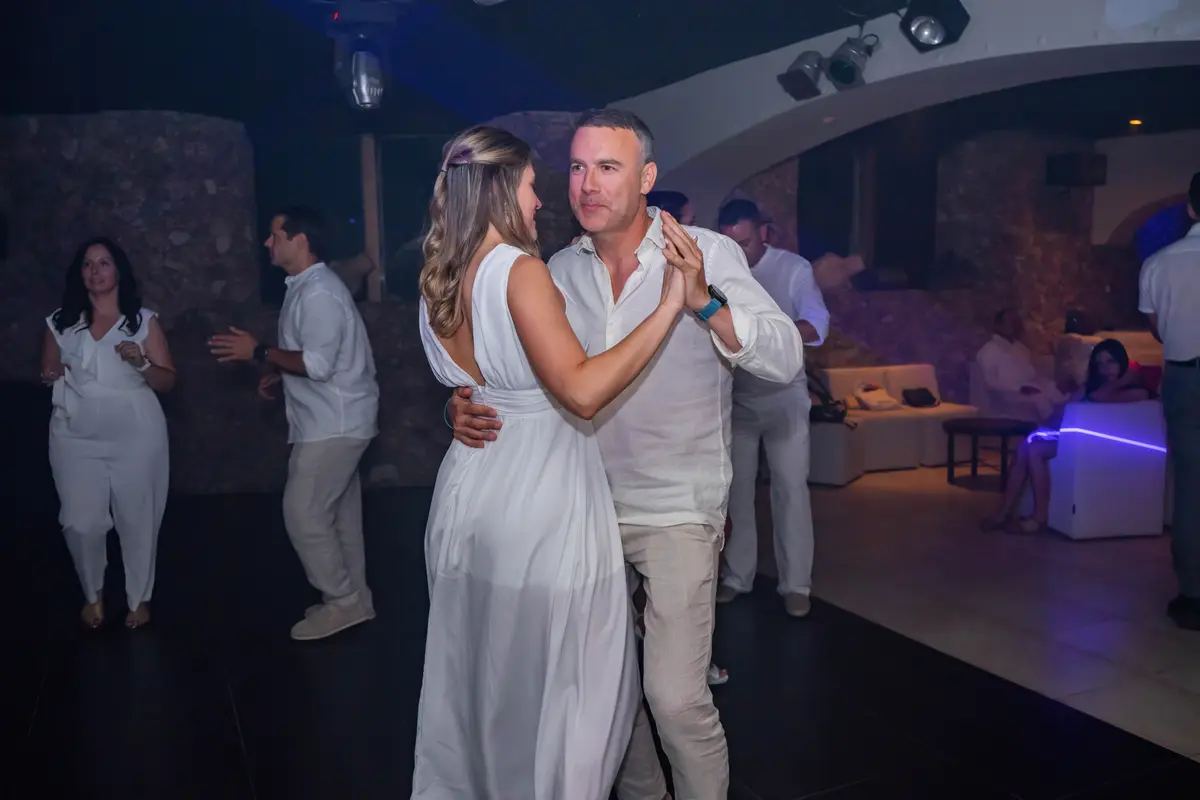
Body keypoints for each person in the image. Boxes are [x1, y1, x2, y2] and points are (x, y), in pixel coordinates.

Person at [449, 109, 806, 800]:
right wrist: (455, 407)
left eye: (608, 168)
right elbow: (520, 378)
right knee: (607, 692)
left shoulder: (703, 251)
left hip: (678, 506)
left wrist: (704, 304)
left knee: (674, 697)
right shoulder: (556, 269)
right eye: (577, 168)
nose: (587, 184)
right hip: (582, 505)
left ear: (646, 178)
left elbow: (785, 357)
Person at [411, 125, 695, 800]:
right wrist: (670, 304)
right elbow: (582, 391)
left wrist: (453, 408)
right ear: (503, 188)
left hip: (468, 495)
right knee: (572, 683)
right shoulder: (519, 269)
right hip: (538, 499)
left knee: (485, 682)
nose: (540, 201)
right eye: (534, 185)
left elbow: (475, 384)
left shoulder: (439, 273)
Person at [208, 206, 379, 641]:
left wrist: (260, 352)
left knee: (303, 513)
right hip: (336, 420)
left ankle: (342, 601)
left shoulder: (319, 292)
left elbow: (319, 365)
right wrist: (279, 373)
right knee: (339, 516)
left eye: (276, 235)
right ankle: (356, 599)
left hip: (334, 425)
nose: (268, 242)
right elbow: (313, 358)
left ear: (300, 241)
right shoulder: (308, 287)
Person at [40, 237, 176, 629]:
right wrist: (51, 375)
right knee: (79, 521)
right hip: (75, 434)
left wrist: (141, 362)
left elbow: (167, 382)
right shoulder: (60, 322)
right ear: (79, 273)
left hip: (136, 434)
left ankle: (139, 598)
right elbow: (48, 370)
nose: (95, 271)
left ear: (118, 271)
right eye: (88, 264)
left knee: (138, 517)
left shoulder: (142, 321)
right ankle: (93, 594)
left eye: (104, 263)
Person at [716, 198, 830, 618]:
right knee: (737, 492)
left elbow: (817, 323)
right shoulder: (718, 269)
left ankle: (796, 584)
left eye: (745, 242)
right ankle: (737, 577)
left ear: (763, 232)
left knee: (790, 490)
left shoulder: (793, 268)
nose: (738, 251)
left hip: (785, 397)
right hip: (738, 398)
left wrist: (768, 335)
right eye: (730, 243)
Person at [982, 339, 1150, 536]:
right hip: (1075, 438)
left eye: (1111, 362)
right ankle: (1004, 512)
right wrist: (1049, 424)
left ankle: (1038, 517)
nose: (1105, 369)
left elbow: (1100, 398)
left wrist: (1122, 381)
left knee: (1034, 449)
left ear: (1122, 362)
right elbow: (1065, 409)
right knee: (1025, 445)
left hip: (1101, 445)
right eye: (1100, 364)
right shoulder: (1091, 387)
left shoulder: (1136, 392)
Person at [1139, 171, 1200, 631]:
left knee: (1190, 488)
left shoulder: (1159, 263)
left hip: (1185, 377)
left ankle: (1194, 595)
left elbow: (1157, 329)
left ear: (1191, 209)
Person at [976, 308, 1066, 422]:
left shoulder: (1019, 348)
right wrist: (1019, 389)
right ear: (999, 326)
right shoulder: (990, 351)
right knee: (1040, 399)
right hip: (1009, 397)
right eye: (1011, 322)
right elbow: (991, 384)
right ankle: (1053, 424)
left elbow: (1029, 373)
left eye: (1017, 322)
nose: (1016, 326)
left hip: (1030, 388)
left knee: (1054, 390)